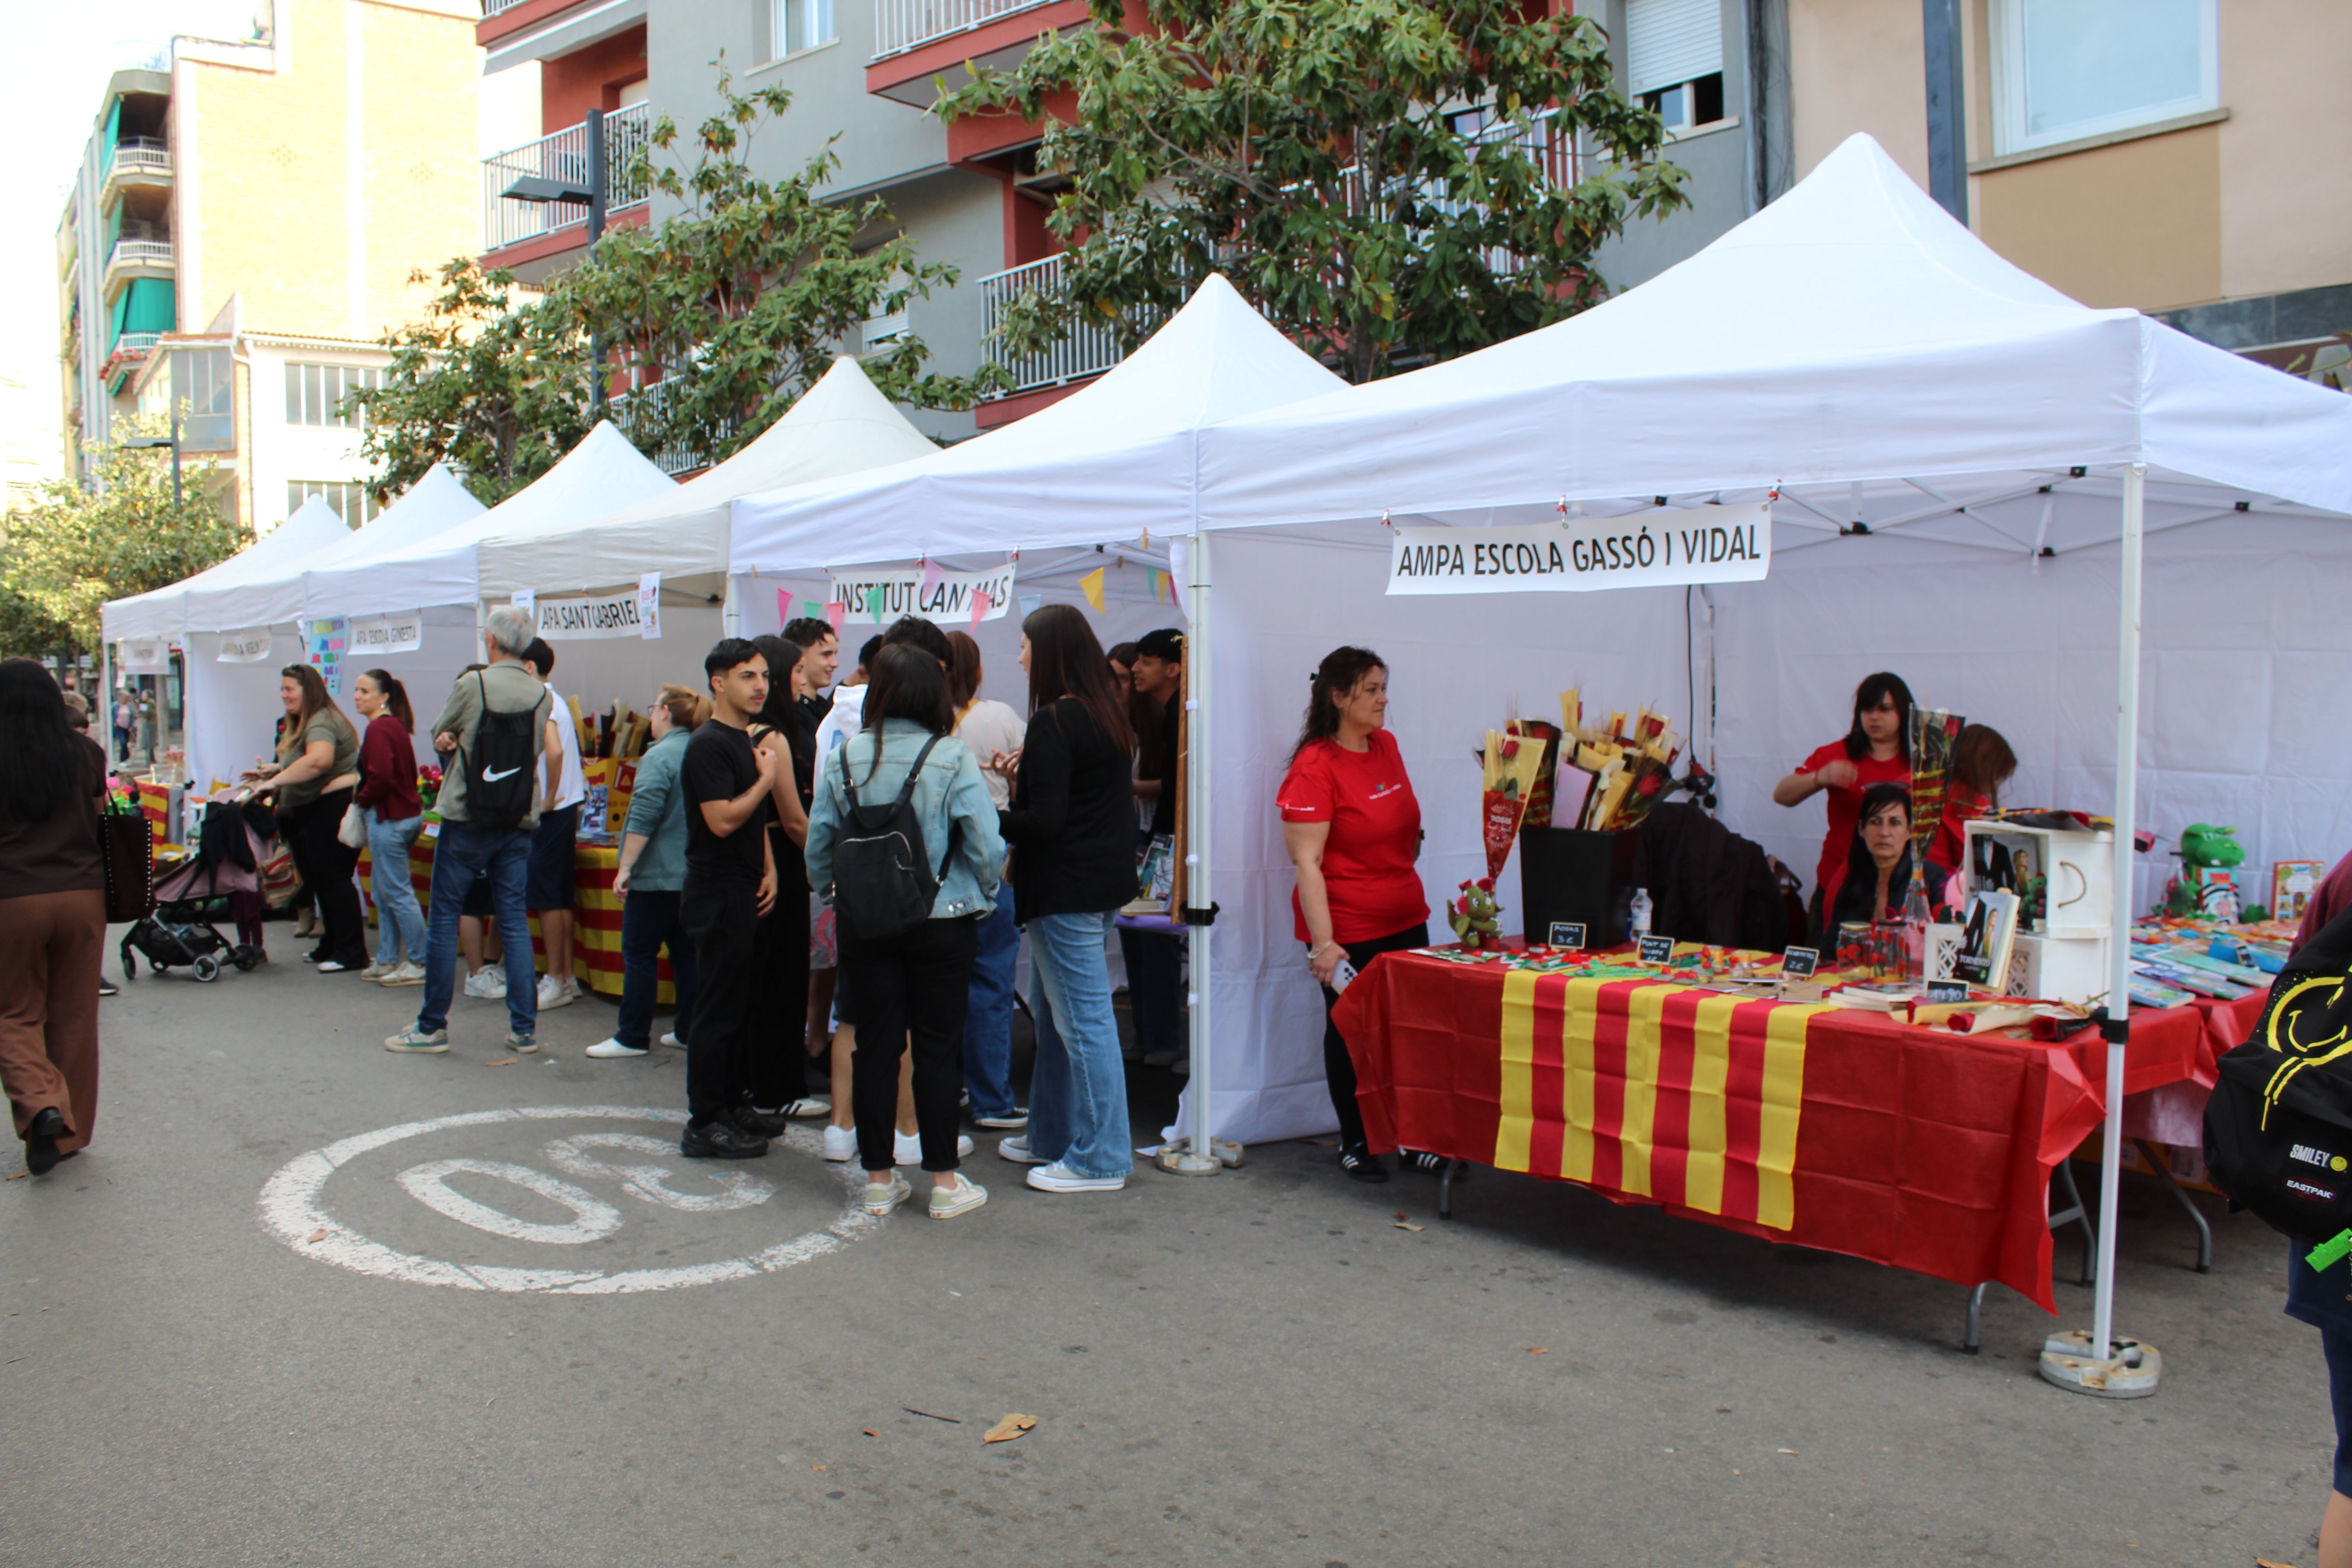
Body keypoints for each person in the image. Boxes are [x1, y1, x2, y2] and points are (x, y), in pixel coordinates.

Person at [807, 643, 1002, 1220]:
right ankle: (944, 1182)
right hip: (943, 920)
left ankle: (877, 1178)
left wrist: (838, 897)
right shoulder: (951, 755)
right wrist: (983, 894)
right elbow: (987, 843)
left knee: (874, 1045)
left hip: (866, 923)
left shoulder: (846, 756)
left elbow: (821, 846)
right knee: (938, 1048)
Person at [991, 604, 1137, 1194]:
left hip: (1065, 889)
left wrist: (994, 811)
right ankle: (1052, 1134)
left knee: (1083, 1022)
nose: (1021, 655)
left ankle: (1101, 1157)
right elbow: (1075, 804)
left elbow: (1045, 822)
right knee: (1056, 1016)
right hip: (1098, 886)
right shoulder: (1106, 716)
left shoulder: (1054, 721)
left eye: (1025, 645)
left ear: (1048, 652)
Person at [1279, 647, 1436, 1183]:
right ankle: (1358, 1140)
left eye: (1383, 687)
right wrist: (1324, 945)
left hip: (1406, 917)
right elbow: (1307, 862)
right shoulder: (1315, 767)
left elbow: (1401, 825)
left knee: (1409, 1033)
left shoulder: (1385, 746)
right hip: (1348, 930)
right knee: (1352, 1032)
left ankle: (1414, 1139)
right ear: (1339, 696)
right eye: (1372, 689)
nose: (1384, 698)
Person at [385, 606, 551, 1056]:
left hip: (467, 816)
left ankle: (432, 1026)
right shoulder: (542, 695)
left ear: (491, 642)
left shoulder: (473, 683)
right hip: (517, 817)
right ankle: (523, 1029)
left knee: (444, 918)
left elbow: (443, 729)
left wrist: (451, 738)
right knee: (513, 920)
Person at [0, 660, 109, 1175]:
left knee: (14, 1014)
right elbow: (101, 812)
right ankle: (65, 1137)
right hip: (83, 896)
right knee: (75, 1016)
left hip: (12, 898)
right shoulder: (85, 753)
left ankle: (42, 1102)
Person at [677, 638, 781, 1159]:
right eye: (747, 676)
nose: (760, 685)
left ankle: (733, 1102)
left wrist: (770, 867)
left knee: (742, 1004)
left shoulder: (742, 740)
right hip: (715, 892)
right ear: (719, 683)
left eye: (763, 675)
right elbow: (721, 819)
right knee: (717, 1010)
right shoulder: (710, 744)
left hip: (744, 888)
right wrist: (766, 780)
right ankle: (704, 1121)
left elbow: (750, 821)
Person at [589, 685, 706, 1059]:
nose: (651, 715)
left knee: (639, 953)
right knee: (686, 955)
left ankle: (632, 1035)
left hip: (656, 874)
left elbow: (643, 816)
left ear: (666, 712)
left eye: (653, 707)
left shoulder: (660, 757)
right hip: (691, 873)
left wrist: (625, 867)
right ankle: (689, 1029)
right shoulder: (701, 749)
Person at [947, 631, 1029, 1131]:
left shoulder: (923, 722)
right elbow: (1028, 780)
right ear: (977, 672)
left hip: (941, 855)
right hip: (994, 849)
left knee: (944, 982)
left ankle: (948, 1085)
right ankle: (991, 1099)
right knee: (992, 980)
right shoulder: (997, 715)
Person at [740, 634, 823, 1124]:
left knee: (760, 978)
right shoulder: (773, 736)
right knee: (784, 978)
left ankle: (758, 1081)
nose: (797, 680)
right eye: (790, 672)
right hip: (783, 862)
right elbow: (795, 821)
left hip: (755, 857)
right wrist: (827, 859)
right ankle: (778, 1087)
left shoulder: (740, 730)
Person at [1773, 672, 1914, 925]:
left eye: (1885, 709)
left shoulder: (1922, 760)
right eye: (1867, 709)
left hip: (1902, 888)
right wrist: (1820, 777)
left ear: (1904, 712)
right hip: (1840, 884)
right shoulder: (1838, 754)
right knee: (1825, 962)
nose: (1874, 717)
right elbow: (1782, 795)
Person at [250, 665, 366, 972]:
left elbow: (319, 760)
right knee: (319, 879)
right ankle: (332, 944)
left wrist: (276, 782)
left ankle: (351, 951)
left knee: (333, 879)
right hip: (311, 809)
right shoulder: (305, 720)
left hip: (330, 808)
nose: (284, 695)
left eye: (290, 689)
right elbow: (305, 758)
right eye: (283, 689)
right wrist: (276, 771)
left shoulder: (321, 720)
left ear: (308, 691)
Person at [1124, 628, 1188, 1069]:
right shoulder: (1167, 713)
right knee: (1142, 933)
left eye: (1145, 661)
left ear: (1174, 668)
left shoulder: (1181, 714)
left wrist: (1162, 845)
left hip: (1169, 844)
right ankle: (1151, 1036)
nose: (1135, 669)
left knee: (1155, 937)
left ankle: (1161, 1038)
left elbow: (1176, 789)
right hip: (1160, 841)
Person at [522, 638, 585, 1012]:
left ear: (530, 667)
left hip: (553, 809)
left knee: (548, 898)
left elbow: (555, 751)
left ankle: (557, 978)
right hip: (565, 806)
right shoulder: (554, 700)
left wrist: (546, 797)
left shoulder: (541, 701)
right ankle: (565, 976)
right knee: (558, 898)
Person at [352, 669, 426, 985]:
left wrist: (361, 800)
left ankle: (419, 961)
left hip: (389, 818)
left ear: (383, 697)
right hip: (402, 816)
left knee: (395, 892)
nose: (357, 696)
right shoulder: (393, 726)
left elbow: (380, 777)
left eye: (364, 691)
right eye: (357, 690)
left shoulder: (379, 730)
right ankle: (386, 959)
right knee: (386, 892)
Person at [1817, 783, 1950, 940]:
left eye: (1895, 823)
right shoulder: (1852, 883)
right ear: (1862, 829)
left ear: (1910, 831)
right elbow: (1830, 951)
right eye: (1875, 822)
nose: (1884, 832)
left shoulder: (1933, 881)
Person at [1930, 722, 2018, 872]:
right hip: (1944, 885)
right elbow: (1981, 862)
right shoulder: (1967, 803)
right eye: (2001, 777)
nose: (1998, 786)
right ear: (1986, 770)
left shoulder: (1931, 788)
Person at [785, 615, 842, 730]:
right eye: (826, 655)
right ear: (799, 657)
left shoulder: (826, 708)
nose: (835, 664)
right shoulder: (790, 713)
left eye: (835, 655)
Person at [111, 693, 133, 764]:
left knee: (126, 743)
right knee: (123, 742)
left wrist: (131, 726)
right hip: (118, 726)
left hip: (127, 727)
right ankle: (122, 759)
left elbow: (132, 715)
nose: (127, 700)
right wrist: (113, 722)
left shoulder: (129, 705)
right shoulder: (115, 705)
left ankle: (126, 757)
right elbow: (109, 714)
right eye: (126, 698)